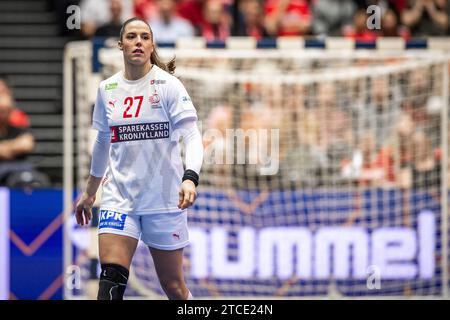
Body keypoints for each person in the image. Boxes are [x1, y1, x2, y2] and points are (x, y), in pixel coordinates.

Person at [75, 17, 204, 300]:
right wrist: (89, 193)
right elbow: (101, 143)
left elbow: (192, 137)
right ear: (121, 45)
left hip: (164, 200)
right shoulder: (107, 89)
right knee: (111, 278)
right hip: (120, 199)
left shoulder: (168, 85)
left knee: (173, 286)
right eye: (132, 37)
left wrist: (190, 179)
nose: (138, 42)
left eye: (145, 37)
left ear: (152, 44)